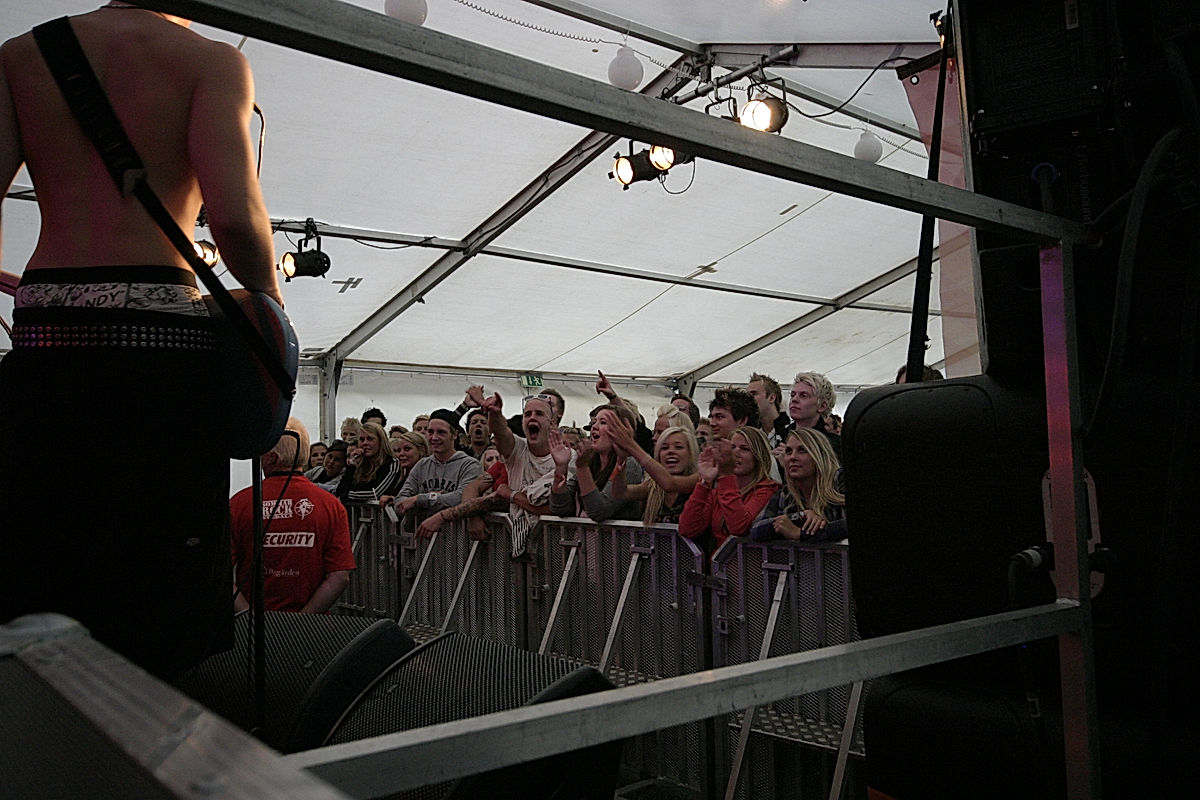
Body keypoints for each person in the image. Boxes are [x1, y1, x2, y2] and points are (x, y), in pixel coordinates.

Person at [0, 4, 280, 679]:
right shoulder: (213, 61)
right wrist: (269, 304)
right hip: (161, 341)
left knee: (46, 560)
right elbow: (235, 220)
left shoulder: (19, 55)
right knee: (160, 573)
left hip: (46, 332)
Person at [230, 420, 355, 613]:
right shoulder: (331, 506)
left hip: (251, 625)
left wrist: (247, 615)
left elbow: (219, 572)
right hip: (310, 625)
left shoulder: (239, 503)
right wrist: (301, 620)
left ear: (271, 458)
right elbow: (339, 576)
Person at [678, 426, 780, 553]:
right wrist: (705, 482)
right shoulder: (718, 492)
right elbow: (687, 529)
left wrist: (726, 475)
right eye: (732, 448)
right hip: (717, 564)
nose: (735, 454)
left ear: (758, 456)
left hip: (748, 563)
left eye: (744, 449)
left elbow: (738, 528)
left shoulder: (768, 489)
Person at [749, 427, 846, 543]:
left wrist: (800, 533)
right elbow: (756, 529)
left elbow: (856, 523)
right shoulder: (787, 493)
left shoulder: (840, 479)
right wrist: (800, 516)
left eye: (802, 450)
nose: (793, 457)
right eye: (788, 451)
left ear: (820, 455)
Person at [394, 409, 483, 534]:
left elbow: (461, 498)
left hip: (457, 538)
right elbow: (400, 503)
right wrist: (437, 499)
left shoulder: (470, 465)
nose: (434, 437)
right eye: (430, 432)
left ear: (454, 435)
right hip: (423, 539)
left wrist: (420, 499)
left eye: (441, 432)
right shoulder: (422, 465)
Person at [551, 404, 644, 521]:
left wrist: (582, 467)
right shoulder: (591, 462)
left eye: (603, 422)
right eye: (594, 422)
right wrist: (561, 467)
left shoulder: (629, 464)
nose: (594, 426)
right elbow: (560, 508)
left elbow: (599, 511)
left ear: (622, 431)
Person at [607, 421, 701, 527]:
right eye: (665, 448)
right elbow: (620, 493)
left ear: (691, 453)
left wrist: (630, 445)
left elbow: (670, 484)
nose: (671, 451)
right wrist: (621, 460)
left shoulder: (699, 480)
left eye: (678, 447)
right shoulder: (653, 486)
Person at [336, 421, 403, 503]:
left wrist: (346, 495)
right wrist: (352, 465)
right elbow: (338, 492)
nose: (365, 443)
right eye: (361, 439)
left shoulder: (392, 463)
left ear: (381, 441)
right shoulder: (359, 464)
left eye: (370, 439)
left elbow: (375, 493)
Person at [787, 371, 841, 458]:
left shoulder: (833, 446)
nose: (794, 399)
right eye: (793, 395)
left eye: (803, 396)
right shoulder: (780, 437)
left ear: (822, 406)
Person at [747, 372, 791, 449]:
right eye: (748, 395)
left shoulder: (792, 429)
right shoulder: (750, 432)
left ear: (771, 398)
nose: (748, 398)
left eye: (754, 394)